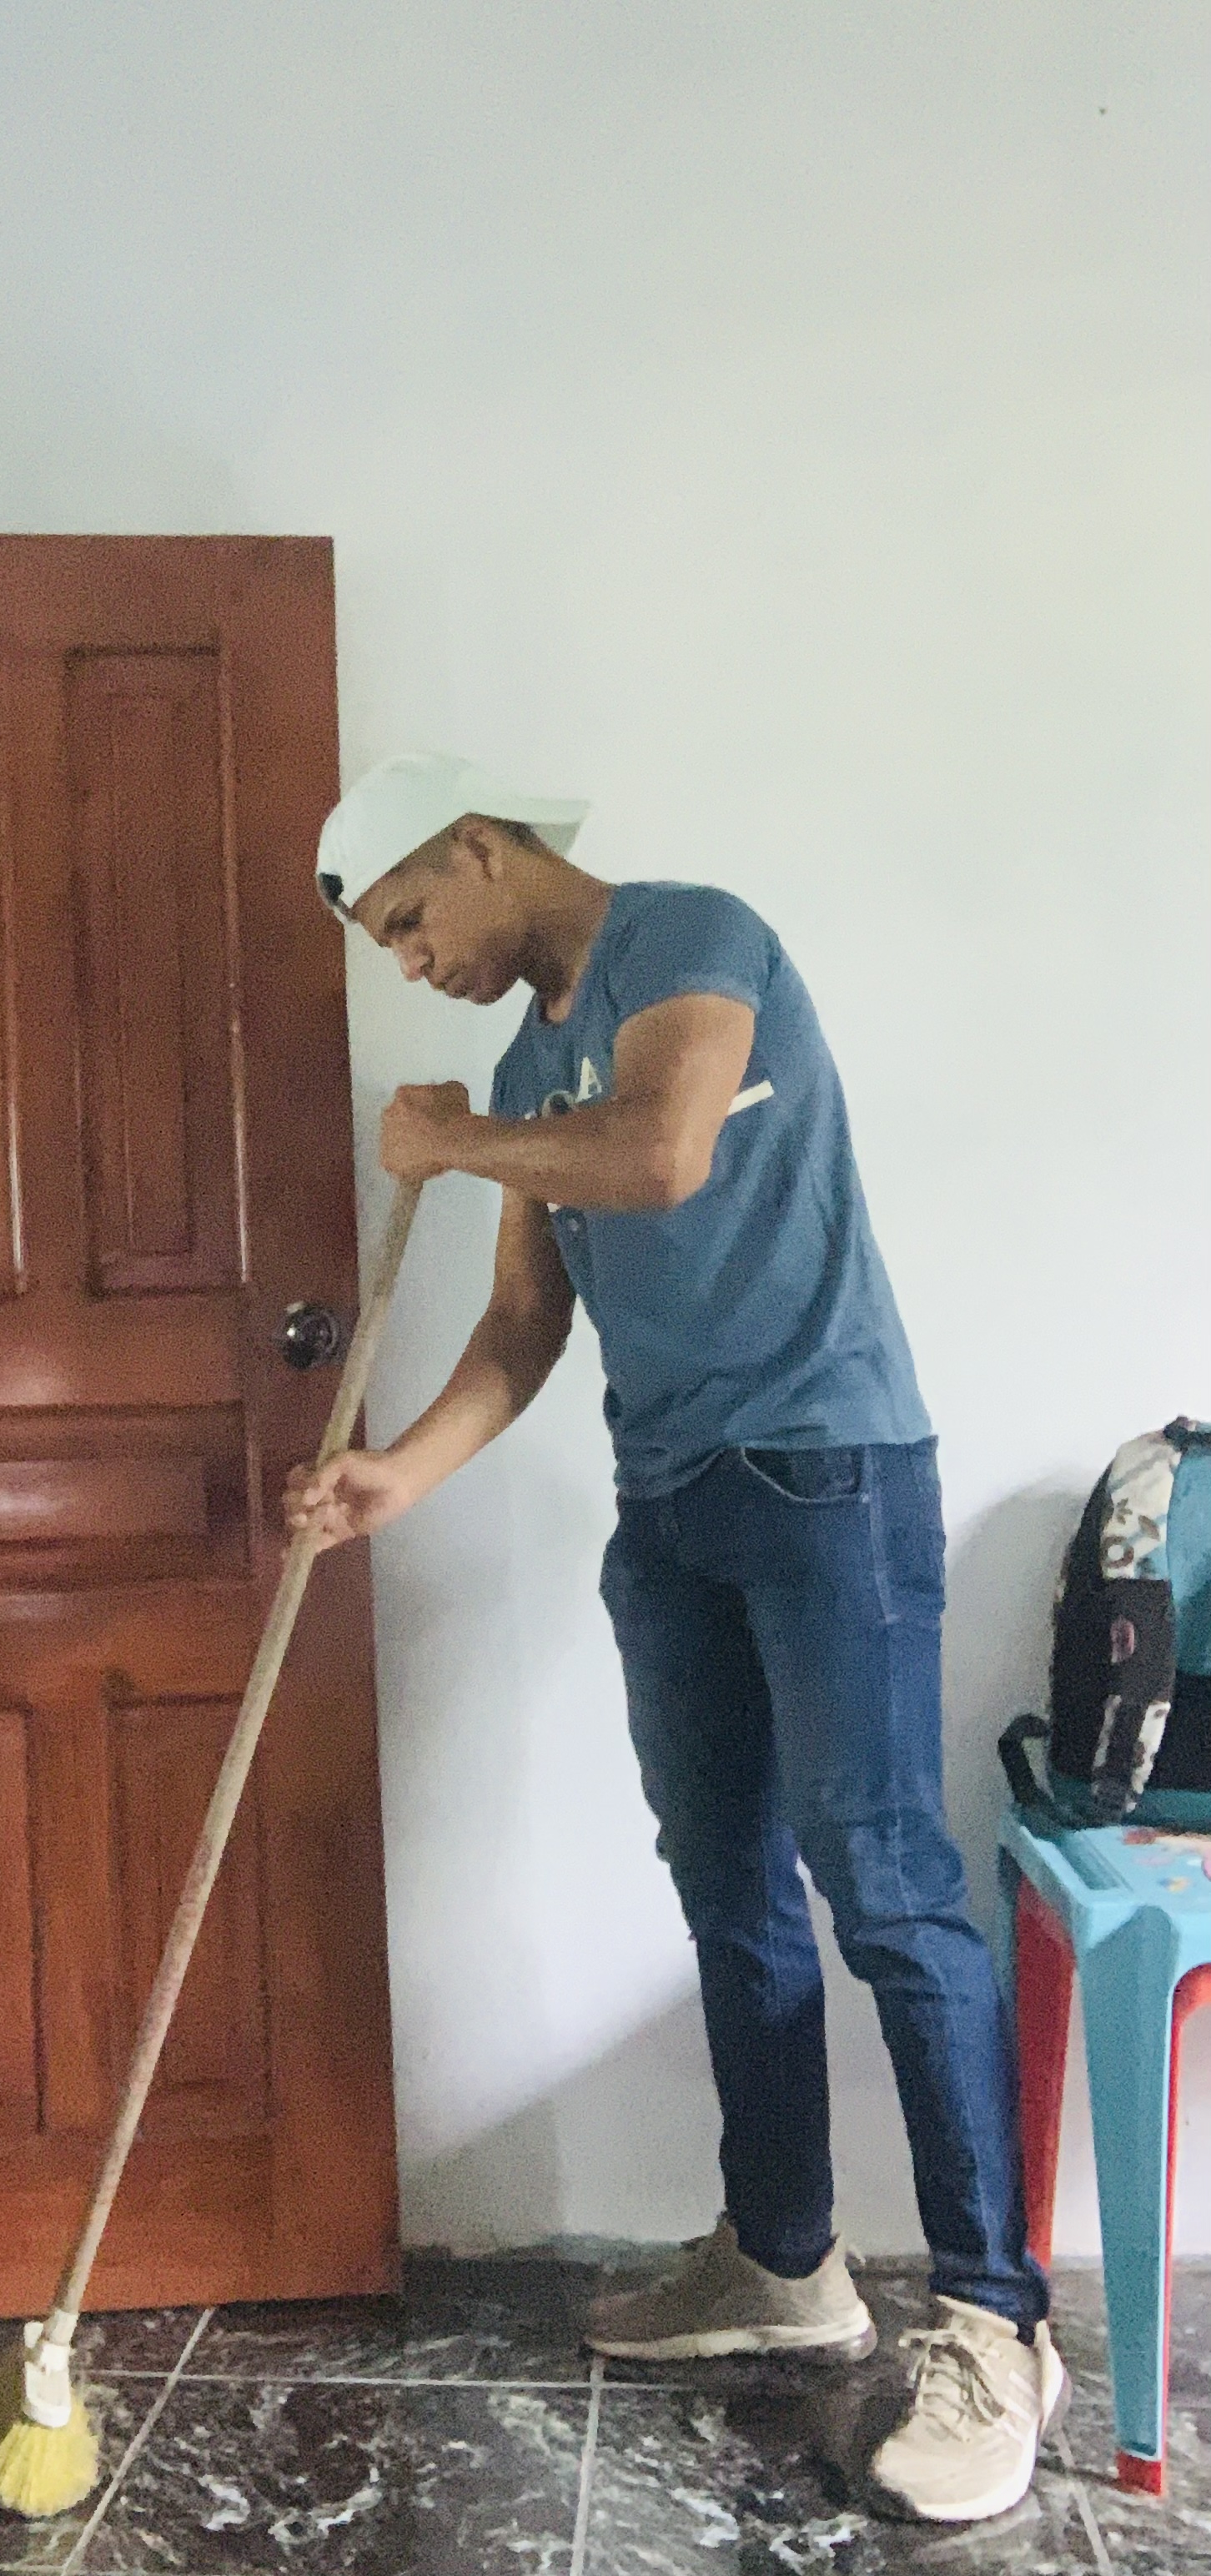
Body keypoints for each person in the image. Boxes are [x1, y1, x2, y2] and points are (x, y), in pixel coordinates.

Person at [287, 752, 1063, 2526]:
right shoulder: (518, 1074)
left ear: (481, 846)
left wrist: (452, 1145)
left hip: (830, 1475)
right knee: (726, 1881)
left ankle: (996, 2322)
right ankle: (784, 2256)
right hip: (676, 1504)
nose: (412, 960)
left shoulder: (696, 938)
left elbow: (660, 1148)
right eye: (389, 943)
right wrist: (398, 1474)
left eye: (411, 918)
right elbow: (523, 1326)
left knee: (886, 1884)